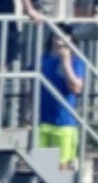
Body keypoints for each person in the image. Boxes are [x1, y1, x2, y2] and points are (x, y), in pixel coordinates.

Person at [33, 34, 88, 171]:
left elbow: (76, 88)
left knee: (62, 166)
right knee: (41, 166)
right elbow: (31, 88)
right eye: (57, 36)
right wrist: (29, 113)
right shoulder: (42, 60)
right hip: (42, 121)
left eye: (65, 37)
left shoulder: (76, 62)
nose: (60, 40)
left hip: (64, 123)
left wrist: (66, 63)